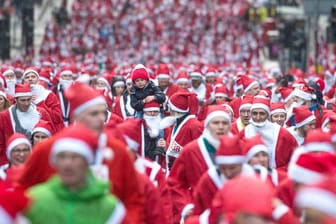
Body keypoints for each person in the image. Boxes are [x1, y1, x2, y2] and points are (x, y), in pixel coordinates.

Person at [17, 82, 145, 223]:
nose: (101, 119)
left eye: (103, 113)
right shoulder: (47, 150)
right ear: (76, 117)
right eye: (93, 113)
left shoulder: (118, 152)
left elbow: (133, 199)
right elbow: (23, 190)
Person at [24, 124, 126, 224]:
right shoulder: (34, 201)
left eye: (75, 157)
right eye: (62, 157)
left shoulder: (110, 209)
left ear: (88, 162)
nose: (67, 164)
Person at [166, 105, 232, 223]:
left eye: (224, 123)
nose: (220, 127)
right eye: (215, 123)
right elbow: (174, 182)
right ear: (207, 125)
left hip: (232, 212)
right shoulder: (192, 150)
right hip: (201, 211)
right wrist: (186, 206)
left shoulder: (239, 147)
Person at [190, 135, 254, 218]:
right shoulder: (209, 179)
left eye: (232, 168)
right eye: (223, 168)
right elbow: (198, 211)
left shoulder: (255, 177)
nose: (228, 173)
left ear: (242, 164)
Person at [0, 84, 53, 165]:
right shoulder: (5, 116)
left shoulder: (41, 113)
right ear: (16, 100)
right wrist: (4, 164)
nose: (26, 103)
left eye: (29, 100)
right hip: (13, 161)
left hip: (38, 159)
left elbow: (51, 135)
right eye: (23, 100)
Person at [239, 97, 297, 169]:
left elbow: (295, 158)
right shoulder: (244, 133)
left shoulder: (282, 133)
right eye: (254, 113)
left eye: (262, 114)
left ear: (267, 115)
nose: (258, 117)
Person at [160, 91, 203, 170]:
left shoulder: (194, 126)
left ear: (174, 109)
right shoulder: (176, 122)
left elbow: (200, 151)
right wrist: (166, 146)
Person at [22, 67, 64, 131]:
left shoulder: (48, 94)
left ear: (38, 80)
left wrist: (40, 103)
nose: (30, 79)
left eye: (33, 77)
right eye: (27, 77)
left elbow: (57, 117)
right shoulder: (19, 96)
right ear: (23, 81)